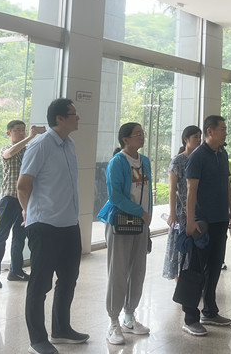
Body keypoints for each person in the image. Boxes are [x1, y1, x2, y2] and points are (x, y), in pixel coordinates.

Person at [17, 98, 89, 354]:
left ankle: (61, 329)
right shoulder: (40, 145)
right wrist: (28, 212)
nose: (77, 117)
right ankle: (37, 339)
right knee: (40, 285)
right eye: (73, 114)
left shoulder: (69, 144)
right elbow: (23, 185)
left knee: (68, 280)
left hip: (69, 224)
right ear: (59, 118)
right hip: (44, 225)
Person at [98, 122, 153, 345]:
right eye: (137, 134)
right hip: (121, 222)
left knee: (138, 270)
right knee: (118, 271)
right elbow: (115, 196)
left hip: (141, 224)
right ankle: (113, 321)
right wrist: (140, 212)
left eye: (142, 133)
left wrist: (147, 216)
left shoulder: (145, 161)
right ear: (125, 139)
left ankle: (129, 316)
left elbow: (147, 192)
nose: (142, 136)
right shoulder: (117, 162)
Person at [181, 115, 231, 337]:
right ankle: (190, 318)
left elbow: (227, 185)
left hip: (220, 220)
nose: (225, 132)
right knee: (195, 270)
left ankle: (210, 311)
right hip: (202, 223)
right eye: (222, 128)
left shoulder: (222, 154)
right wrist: (190, 221)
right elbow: (191, 190)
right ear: (210, 131)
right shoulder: (198, 156)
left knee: (214, 267)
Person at [0, 120, 45, 288]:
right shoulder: (6, 149)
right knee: (1, 237)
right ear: (9, 133)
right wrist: (30, 137)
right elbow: (10, 153)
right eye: (17, 130)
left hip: (24, 199)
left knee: (19, 237)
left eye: (23, 130)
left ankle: (16, 271)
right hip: (9, 198)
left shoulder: (27, 151)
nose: (21, 132)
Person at [164, 125, 202, 280]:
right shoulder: (178, 161)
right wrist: (172, 213)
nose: (199, 140)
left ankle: (194, 279)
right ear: (186, 140)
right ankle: (180, 280)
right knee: (181, 244)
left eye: (200, 137)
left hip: (198, 209)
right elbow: (172, 190)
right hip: (182, 211)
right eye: (195, 137)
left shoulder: (200, 158)